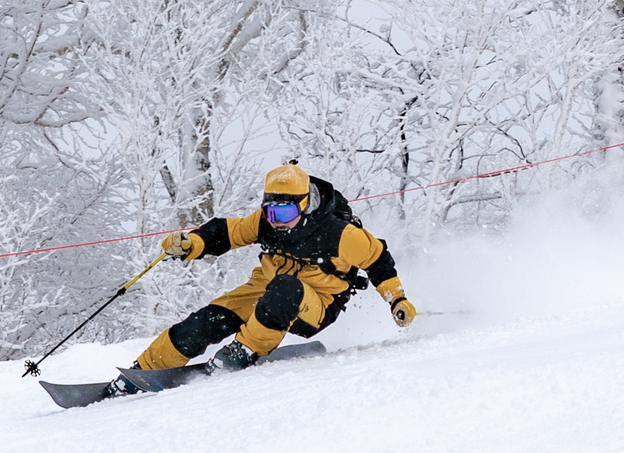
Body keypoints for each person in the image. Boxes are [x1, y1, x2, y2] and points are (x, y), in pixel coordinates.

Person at [111, 162, 415, 395]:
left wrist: (397, 298)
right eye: (271, 214)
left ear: (305, 204)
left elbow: (379, 261)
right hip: (263, 291)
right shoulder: (268, 221)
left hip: (315, 303)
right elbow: (227, 233)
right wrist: (192, 244)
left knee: (285, 288)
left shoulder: (341, 234)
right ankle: (142, 372)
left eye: (283, 215)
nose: (276, 223)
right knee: (205, 321)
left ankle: (244, 350)